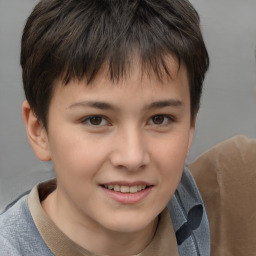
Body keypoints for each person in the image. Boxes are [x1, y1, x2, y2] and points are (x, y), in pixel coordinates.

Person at [0, 0, 209, 255]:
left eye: (159, 119)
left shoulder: (224, 192)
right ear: (39, 130)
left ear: (190, 126)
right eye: (95, 120)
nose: (132, 157)